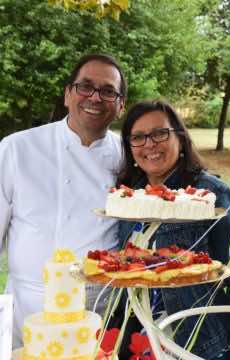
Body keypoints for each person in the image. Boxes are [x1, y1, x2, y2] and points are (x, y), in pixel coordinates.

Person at [114, 100, 230, 359]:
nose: (149, 144)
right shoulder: (128, 197)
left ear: (180, 138)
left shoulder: (211, 193)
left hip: (198, 343)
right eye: (138, 137)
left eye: (160, 133)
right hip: (140, 341)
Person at [0, 53, 127, 348]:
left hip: (98, 311)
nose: (95, 98)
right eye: (85, 86)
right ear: (68, 94)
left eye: (108, 91)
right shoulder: (17, 148)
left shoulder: (128, 156)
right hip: (27, 308)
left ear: (120, 106)